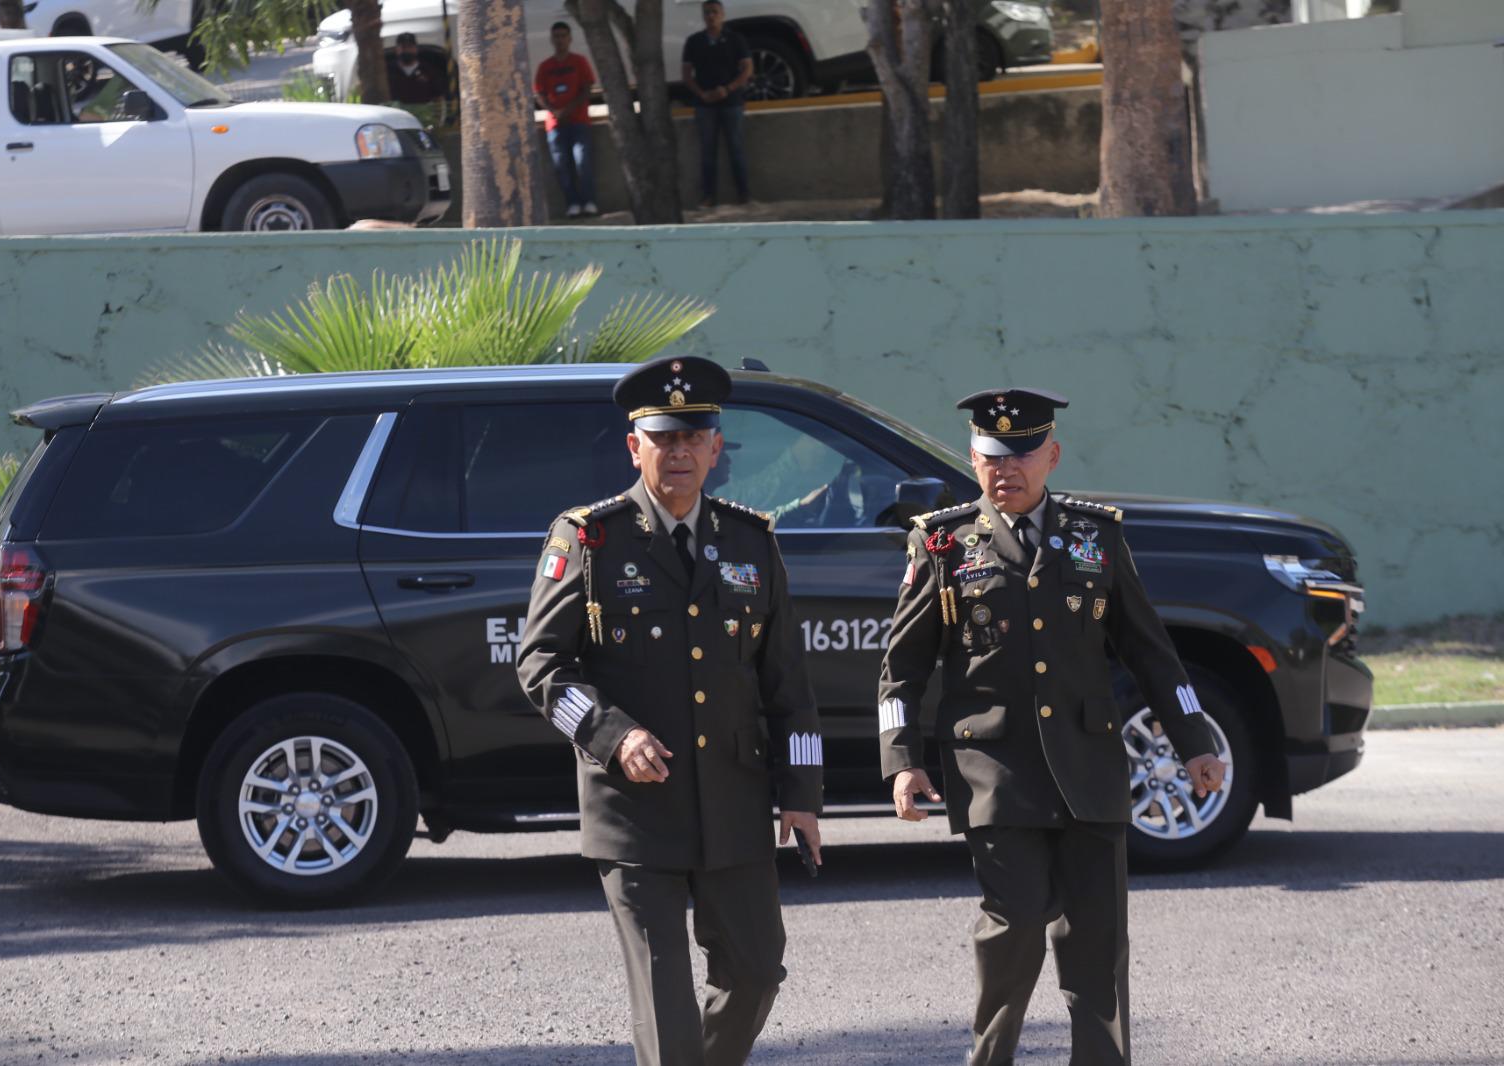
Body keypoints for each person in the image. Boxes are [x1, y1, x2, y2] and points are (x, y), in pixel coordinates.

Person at [877, 388, 1228, 1066]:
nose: (1005, 469)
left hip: (1089, 769)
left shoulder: (1098, 536)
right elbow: (902, 669)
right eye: (990, 457)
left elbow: (1152, 653)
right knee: (1012, 930)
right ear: (973, 460)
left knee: (1098, 942)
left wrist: (1195, 743)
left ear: (1052, 456)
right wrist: (902, 759)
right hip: (994, 773)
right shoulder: (944, 543)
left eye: (1021, 455)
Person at [517, 355, 824, 1066]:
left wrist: (802, 793)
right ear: (636, 447)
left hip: (734, 801)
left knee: (756, 972)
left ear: (716, 450)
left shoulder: (752, 541)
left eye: (693, 438)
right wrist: (612, 736)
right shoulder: (589, 539)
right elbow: (540, 666)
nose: (679, 452)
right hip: (635, 811)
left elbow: (788, 685)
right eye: (664, 439)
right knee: (666, 1003)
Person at [682, 0, 753, 207]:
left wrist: (728, 89)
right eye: (707, 12)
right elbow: (686, 75)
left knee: (736, 148)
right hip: (704, 104)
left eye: (714, 12)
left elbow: (747, 69)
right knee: (707, 151)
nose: (710, 16)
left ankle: (744, 195)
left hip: (732, 102)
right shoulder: (694, 41)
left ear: (722, 15)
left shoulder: (736, 39)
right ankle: (708, 197)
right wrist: (701, 94)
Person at [534, 21, 599, 218]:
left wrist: (568, 110)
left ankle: (589, 202)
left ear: (570, 38)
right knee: (561, 166)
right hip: (555, 125)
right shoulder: (545, 66)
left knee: (582, 162)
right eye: (557, 36)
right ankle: (572, 204)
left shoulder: (579, 62)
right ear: (552, 39)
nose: (560, 40)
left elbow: (587, 89)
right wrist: (554, 112)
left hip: (579, 121)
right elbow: (539, 94)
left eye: (563, 36)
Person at [385, 32, 445, 106]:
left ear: (416, 48)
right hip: (397, 112)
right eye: (403, 47)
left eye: (410, 47)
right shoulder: (388, 71)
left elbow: (439, 97)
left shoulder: (428, 70)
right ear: (397, 49)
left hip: (424, 111)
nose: (407, 50)